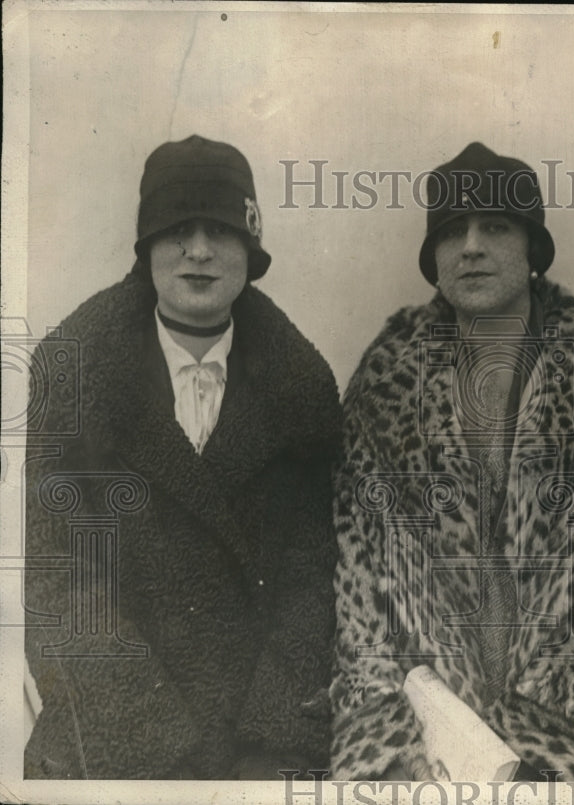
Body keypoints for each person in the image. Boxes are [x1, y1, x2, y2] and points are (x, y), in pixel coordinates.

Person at [328, 142, 574, 781]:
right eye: (452, 232)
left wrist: (543, 753)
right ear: (434, 260)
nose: (471, 246)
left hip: (563, 733)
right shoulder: (382, 388)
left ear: (533, 249)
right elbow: (357, 593)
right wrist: (401, 740)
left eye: (495, 226)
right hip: (416, 737)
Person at [23, 135, 342, 779]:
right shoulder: (72, 378)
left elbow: (315, 581)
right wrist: (151, 740)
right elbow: (54, 578)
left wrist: (271, 738)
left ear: (250, 247)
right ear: (145, 249)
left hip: (261, 735)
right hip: (111, 726)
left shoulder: (302, 393)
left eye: (220, 230)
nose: (198, 251)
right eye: (177, 230)